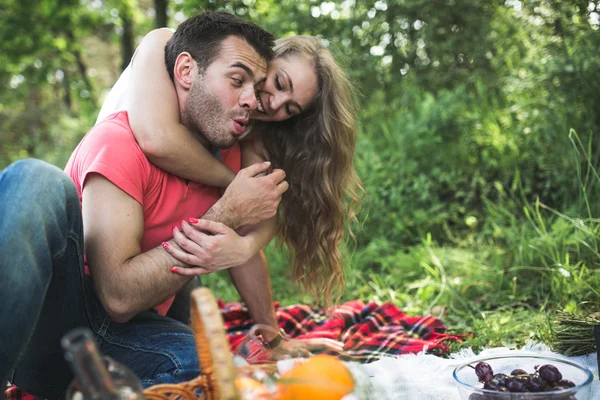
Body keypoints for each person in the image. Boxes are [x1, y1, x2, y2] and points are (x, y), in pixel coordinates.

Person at [0, 11, 287, 399]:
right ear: (186, 71)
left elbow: (244, 250)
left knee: (218, 372)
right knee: (37, 180)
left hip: (133, 337)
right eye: (237, 80)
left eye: (255, 87)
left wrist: (274, 335)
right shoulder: (119, 142)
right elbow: (117, 296)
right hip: (51, 327)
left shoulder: (229, 157)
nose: (252, 100)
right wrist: (227, 211)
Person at [101, 28, 364, 308]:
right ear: (268, 56)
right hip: (107, 232)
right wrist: (234, 185)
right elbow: (159, 139)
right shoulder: (164, 45)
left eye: (290, 109)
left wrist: (246, 248)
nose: (274, 103)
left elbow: (257, 215)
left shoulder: (247, 128)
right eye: (278, 82)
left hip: (165, 253)